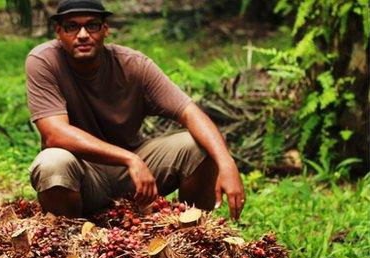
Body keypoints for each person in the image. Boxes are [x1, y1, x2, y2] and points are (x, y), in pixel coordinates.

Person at [26, 0, 245, 219]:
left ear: (105, 29)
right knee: (52, 163)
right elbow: (54, 134)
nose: (82, 34)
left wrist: (226, 162)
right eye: (72, 26)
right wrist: (129, 159)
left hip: (132, 173)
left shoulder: (133, 64)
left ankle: (193, 233)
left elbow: (190, 112)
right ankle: (68, 240)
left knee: (199, 147)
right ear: (58, 32)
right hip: (82, 172)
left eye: (92, 25)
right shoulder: (44, 61)